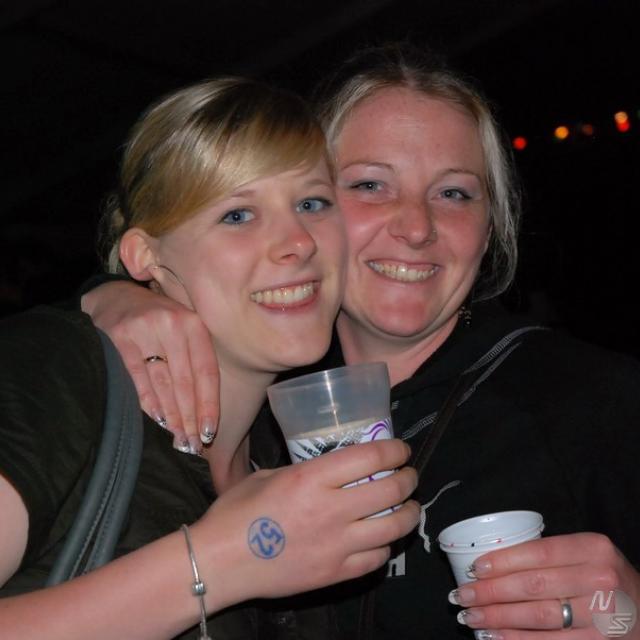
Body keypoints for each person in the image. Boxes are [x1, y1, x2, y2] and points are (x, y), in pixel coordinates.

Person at [82, 44, 640, 639]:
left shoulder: (592, 400)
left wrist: (631, 620)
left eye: (454, 193)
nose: (417, 227)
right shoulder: (249, 405)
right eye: (371, 185)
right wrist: (112, 295)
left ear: (489, 229)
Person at [0, 76, 421, 640]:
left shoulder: (287, 456)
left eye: (311, 203)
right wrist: (228, 558)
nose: (299, 241)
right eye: (238, 215)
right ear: (146, 257)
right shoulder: (61, 376)